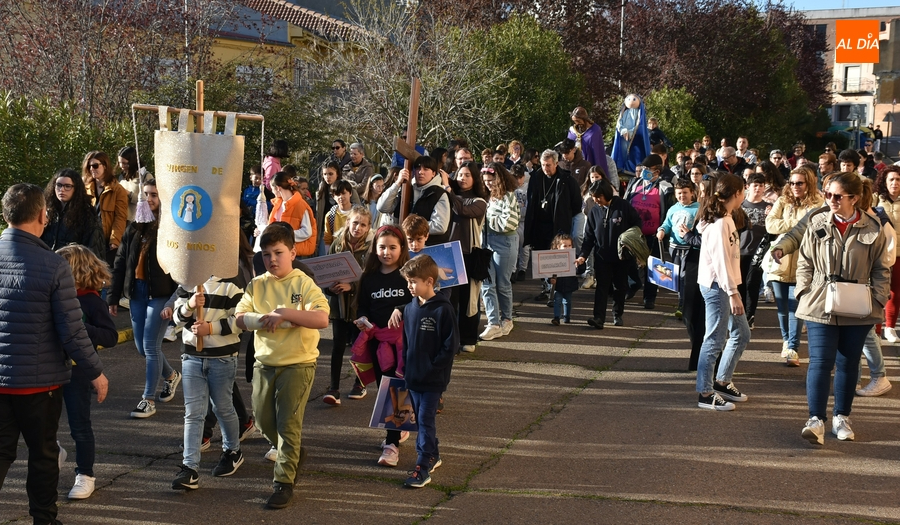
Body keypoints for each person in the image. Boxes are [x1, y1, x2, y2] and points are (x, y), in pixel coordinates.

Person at [0, 183, 108, 525]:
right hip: (39, 383)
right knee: (43, 454)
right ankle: (44, 518)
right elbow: (72, 330)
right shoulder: (53, 266)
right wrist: (96, 371)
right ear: (42, 216)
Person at [235, 223, 329, 509]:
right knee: (263, 421)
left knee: (288, 423)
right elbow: (239, 318)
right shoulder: (257, 284)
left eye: (278, 252)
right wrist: (263, 319)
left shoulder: (303, 283)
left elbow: (322, 319)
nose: (272, 259)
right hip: (265, 363)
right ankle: (293, 451)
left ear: (293, 252)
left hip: (298, 364)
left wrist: (286, 314)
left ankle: (283, 482)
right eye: (266, 254)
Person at [796, 173, 889, 445]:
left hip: (859, 305)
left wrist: (878, 300)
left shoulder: (873, 226)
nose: (831, 200)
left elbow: (881, 269)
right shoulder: (817, 221)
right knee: (820, 362)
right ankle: (815, 420)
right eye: (828, 194)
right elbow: (804, 262)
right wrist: (804, 290)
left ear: (854, 198)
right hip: (820, 302)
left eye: (838, 196)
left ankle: (841, 417)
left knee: (848, 363)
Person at [108, 180, 181, 418]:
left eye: (154, 195)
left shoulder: (171, 229)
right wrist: (113, 296)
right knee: (141, 347)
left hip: (159, 295)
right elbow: (119, 264)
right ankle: (171, 375)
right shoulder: (133, 228)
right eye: (146, 194)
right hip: (136, 294)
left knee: (150, 346)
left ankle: (147, 399)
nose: (149, 199)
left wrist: (174, 300)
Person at [171, 268, 248, 490]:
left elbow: (240, 321)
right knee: (193, 412)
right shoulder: (187, 282)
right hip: (191, 356)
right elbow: (177, 319)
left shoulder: (231, 283)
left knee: (222, 407)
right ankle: (190, 468)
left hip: (222, 357)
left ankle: (233, 450)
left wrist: (210, 328)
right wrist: (190, 305)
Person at [55, 245, 117, 501]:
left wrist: (83, 329)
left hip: (78, 372)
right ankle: (54, 451)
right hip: (52, 368)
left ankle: (85, 474)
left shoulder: (91, 301)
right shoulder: (54, 297)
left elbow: (110, 336)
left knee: (79, 425)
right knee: (42, 422)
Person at [353, 226, 413, 468]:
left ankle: (391, 444)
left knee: (396, 389)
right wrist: (362, 319)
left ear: (402, 249)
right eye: (381, 247)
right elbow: (362, 306)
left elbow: (420, 301)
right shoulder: (368, 277)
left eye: (392, 247)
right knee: (384, 388)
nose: (386, 252)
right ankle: (397, 430)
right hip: (378, 343)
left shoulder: (408, 275)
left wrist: (402, 308)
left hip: (403, 343)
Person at [397, 255, 459, 488]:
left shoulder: (443, 310)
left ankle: (423, 465)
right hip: (413, 377)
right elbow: (407, 342)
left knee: (424, 419)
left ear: (429, 281)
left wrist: (433, 367)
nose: (409, 286)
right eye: (408, 282)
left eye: (413, 281)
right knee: (422, 421)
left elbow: (450, 346)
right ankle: (433, 452)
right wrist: (405, 367)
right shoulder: (410, 308)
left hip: (433, 379)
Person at [695, 173, 751, 411]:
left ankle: (722, 381)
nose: (745, 195)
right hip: (718, 287)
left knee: (742, 333)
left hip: (724, 286)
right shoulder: (720, 223)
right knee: (715, 339)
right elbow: (721, 261)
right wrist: (733, 293)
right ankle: (705, 393)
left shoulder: (725, 218)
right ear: (737, 193)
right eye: (744, 190)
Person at [765, 166, 824, 366]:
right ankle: (785, 341)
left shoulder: (819, 202)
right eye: (792, 183)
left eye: (800, 183)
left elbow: (815, 228)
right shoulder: (782, 200)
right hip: (780, 261)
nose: (795, 187)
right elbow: (770, 224)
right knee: (782, 308)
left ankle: (793, 348)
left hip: (803, 262)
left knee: (796, 308)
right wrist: (796, 223)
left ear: (809, 183)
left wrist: (793, 225)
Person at [323, 206, 373, 405]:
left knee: (360, 347)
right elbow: (325, 274)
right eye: (355, 223)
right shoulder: (337, 243)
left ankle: (359, 384)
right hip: (339, 305)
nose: (358, 227)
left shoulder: (371, 247)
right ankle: (333, 387)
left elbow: (370, 277)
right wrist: (330, 289)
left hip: (360, 306)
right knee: (337, 346)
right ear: (348, 222)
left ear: (369, 227)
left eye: (363, 224)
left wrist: (351, 286)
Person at [576, 179, 641, 329]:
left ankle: (617, 314)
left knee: (620, 286)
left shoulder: (623, 207)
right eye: (593, 197)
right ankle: (598, 317)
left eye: (598, 197)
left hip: (621, 257)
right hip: (602, 256)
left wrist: (630, 241)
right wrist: (583, 255)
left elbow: (637, 223)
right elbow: (589, 237)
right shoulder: (594, 211)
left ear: (606, 193)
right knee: (602, 287)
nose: (596, 200)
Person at [523, 150, 581, 301]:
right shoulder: (536, 178)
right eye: (543, 165)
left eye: (548, 165)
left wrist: (565, 216)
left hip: (558, 225)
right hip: (539, 225)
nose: (545, 168)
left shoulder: (566, 179)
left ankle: (556, 290)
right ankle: (546, 287)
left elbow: (576, 204)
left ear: (556, 163)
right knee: (541, 258)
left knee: (556, 258)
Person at [442, 161, 488, 352]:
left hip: (470, 255)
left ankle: (468, 339)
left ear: (475, 178)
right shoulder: (448, 196)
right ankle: (450, 340)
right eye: (461, 174)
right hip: (450, 254)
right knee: (450, 300)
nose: (463, 178)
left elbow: (463, 210)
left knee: (469, 300)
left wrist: (449, 190)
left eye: (468, 175)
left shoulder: (480, 201)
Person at [622, 154, 676, 310]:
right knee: (628, 261)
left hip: (654, 234)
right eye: (643, 168)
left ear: (657, 171)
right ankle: (633, 283)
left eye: (648, 169)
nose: (644, 171)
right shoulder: (634, 183)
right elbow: (626, 204)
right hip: (634, 233)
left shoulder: (665, 188)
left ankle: (649, 297)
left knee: (653, 267)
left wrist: (664, 230)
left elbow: (669, 212)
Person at [478, 163, 521, 341]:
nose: (489, 184)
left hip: (505, 242)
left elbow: (509, 224)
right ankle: (493, 322)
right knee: (487, 283)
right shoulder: (487, 196)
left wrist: (487, 221)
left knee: (502, 284)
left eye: (492, 180)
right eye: (486, 181)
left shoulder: (508, 196)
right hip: (487, 242)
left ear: (500, 178)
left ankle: (507, 319)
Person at [378, 155, 452, 244]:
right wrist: (397, 184)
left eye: (426, 169)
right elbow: (382, 207)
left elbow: (440, 226)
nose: (421, 172)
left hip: (428, 248)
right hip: (403, 245)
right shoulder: (406, 189)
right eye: (418, 168)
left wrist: (410, 227)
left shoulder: (439, 194)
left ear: (433, 173)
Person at [656, 178, 699, 316]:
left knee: (686, 277)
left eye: (685, 193)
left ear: (692, 193)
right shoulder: (673, 208)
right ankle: (681, 302)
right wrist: (661, 231)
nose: (682, 196)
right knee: (677, 278)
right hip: (674, 248)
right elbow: (667, 224)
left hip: (690, 249)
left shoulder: (698, 208)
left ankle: (685, 305)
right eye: (679, 193)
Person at [42, 168, 105, 258]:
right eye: (58, 185)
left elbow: (94, 250)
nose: (62, 190)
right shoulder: (47, 211)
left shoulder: (87, 214)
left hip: (73, 267)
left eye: (67, 186)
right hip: (46, 264)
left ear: (76, 189)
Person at [84, 151, 129, 270]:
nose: (92, 169)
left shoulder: (118, 190)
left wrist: (114, 240)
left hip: (106, 241)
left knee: (104, 276)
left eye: (95, 165)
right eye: (89, 166)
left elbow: (120, 217)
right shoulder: (85, 188)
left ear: (105, 166)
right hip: (86, 238)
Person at [739, 173, 771, 329]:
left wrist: (771, 217)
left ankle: (749, 316)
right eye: (755, 185)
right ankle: (739, 315)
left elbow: (773, 232)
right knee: (740, 284)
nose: (758, 188)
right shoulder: (740, 206)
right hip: (739, 251)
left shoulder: (769, 208)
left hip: (758, 252)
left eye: (761, 185)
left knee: (752, 283)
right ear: (747, 187)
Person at [875, 165, 900, 348]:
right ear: (884, 181)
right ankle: (875, 330)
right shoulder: (876, 200)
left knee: (895, 292)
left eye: (898, 179)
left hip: (899, 254)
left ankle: (889, 327)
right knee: (878, 292)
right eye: (891, 179)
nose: (895, 183)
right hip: (880, 253)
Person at [267, 172, 317, 257]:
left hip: (297, 253)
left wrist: (283, 235)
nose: (272, 192)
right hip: (282, 252)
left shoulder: (300, 204)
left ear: (278, 188)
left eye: (272, 189)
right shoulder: (278, 204)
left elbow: (307, 232)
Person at [548, 233, 578, 325]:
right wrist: (549, 280)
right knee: (557, 301)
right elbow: (547, 271)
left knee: (567, 301)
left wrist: (579, 264)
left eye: (570, 245)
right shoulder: (553, 258)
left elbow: (580, 270)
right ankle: (556, 318)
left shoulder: (574, 257)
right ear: (557, 246)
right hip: (558, 285)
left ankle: (567, 316)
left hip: (569, 284)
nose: (568, 248)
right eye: (564, 246)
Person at [322, 180, 355, 248]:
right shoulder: (330, 215)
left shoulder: (358, 213)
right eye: (338, 194)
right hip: (337, 251)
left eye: (344, 193)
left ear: (350, 193)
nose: (341, 197)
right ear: (333, 196)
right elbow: (327, 238)